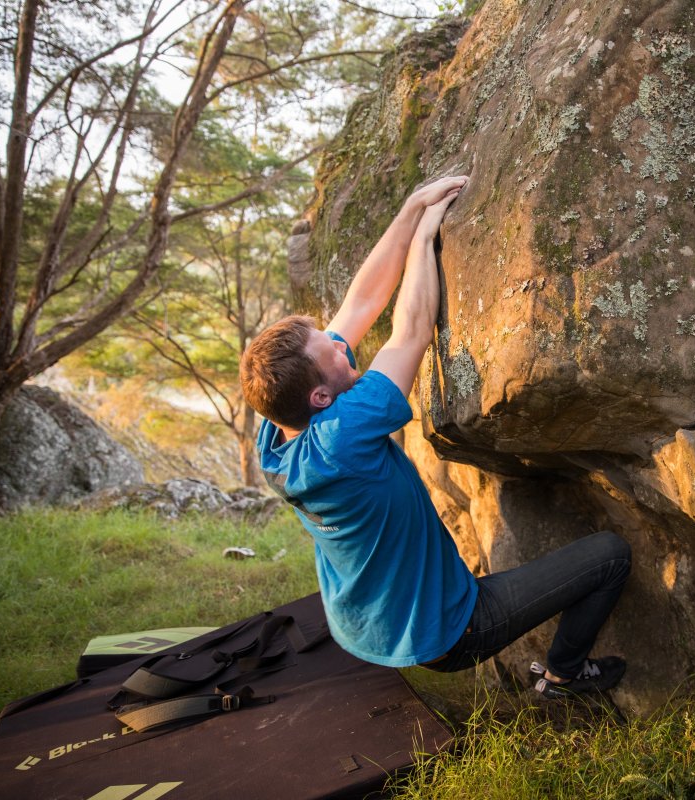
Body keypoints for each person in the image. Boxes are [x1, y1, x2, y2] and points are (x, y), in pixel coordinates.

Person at [239, 175, 629, 698]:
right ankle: (563, 677)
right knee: (609, 553)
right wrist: (423, 240)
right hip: (452, 634)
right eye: (329, 352)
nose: (340, 344)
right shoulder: (342, 435)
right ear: (321, 400)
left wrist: (411, 205)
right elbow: (413, 330)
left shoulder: (278, 433)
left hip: (367, 627)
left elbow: (361, 304)